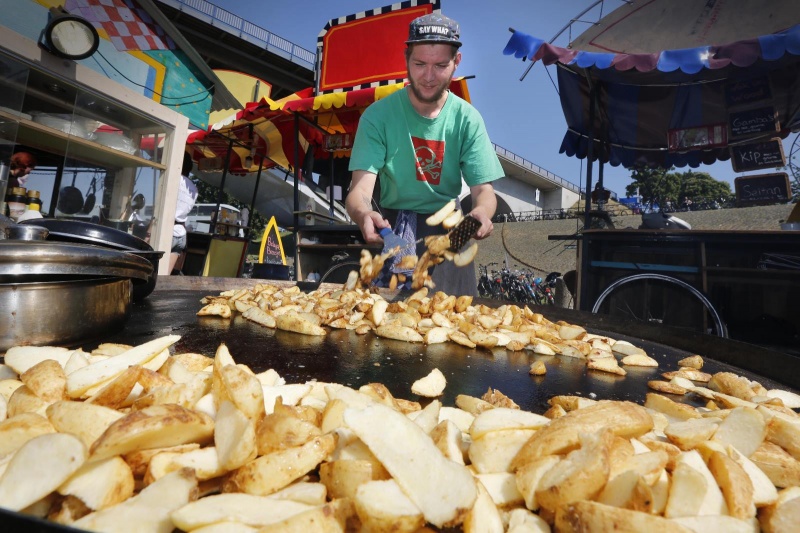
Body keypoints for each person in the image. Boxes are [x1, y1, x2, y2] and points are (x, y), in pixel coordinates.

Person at [345, 13, 504, 296]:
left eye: (441, 65)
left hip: (453, 230)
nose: (429, 77)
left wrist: (481, 212)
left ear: (457, 62)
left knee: (457, 326)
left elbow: (484, 192)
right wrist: (363, 214)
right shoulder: (378, 116)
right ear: (406, 58)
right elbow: (359, 191)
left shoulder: (468, 119)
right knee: (383, 329)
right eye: (419, 64)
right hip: (391, 230)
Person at [170, 152, 199, 274]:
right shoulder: (193, 188)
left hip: (168, 232)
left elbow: (163, 209)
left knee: (150, 275)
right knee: (162, 278)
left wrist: (149, 233)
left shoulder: (173, 179)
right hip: (181, 234)